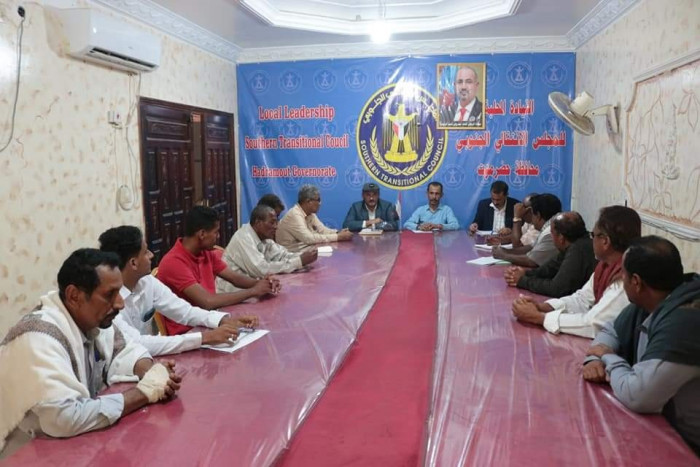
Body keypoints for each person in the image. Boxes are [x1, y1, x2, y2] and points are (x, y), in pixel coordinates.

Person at [0, 249, 181, 458]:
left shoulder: (90, 317)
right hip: (22, 452)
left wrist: (153, 374)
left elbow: (123, 348)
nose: (120, 303)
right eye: (109, 295)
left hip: (68, 445)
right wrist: (144, 392)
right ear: (74, 296)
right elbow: (65, 418)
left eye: (119, 292)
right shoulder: (39, 337)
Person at [582, 236, 700, 455]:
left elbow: (638, 396)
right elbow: (609, 331)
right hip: (668, 428)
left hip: (690, 445)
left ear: (636, 282)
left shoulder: (685, 321)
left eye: (623, 275)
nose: (621, 279)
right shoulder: (653, 300)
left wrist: (608, 357)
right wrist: (595, 359)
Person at [99, 226, 258, 356]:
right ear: (133, 263)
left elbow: (184, 311)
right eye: (146, 252)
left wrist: (223, 320)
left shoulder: (147, 282)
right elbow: (138, 343)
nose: (151, 255)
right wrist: (204, 338)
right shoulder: (107, 302)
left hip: (145, 360)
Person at [511, 205, 642, 338]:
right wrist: (543, 307)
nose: (591, 240)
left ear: (605, 241)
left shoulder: (626, 276)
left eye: (593, 235)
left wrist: (539, 317)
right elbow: (582, 299)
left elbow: (594, 324)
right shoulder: (605, 265)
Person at [158, 206, 277, 335]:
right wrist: (253, 291)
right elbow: (207, 301)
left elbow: (234, 278)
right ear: (202, 234)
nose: (218, 236)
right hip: (187, 332)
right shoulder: (173, 262)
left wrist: (262, 284)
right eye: (216, 232)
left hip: (210, 322)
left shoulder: (205, 253)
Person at [217, 205, 318, 293]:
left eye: (276, 222)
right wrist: (299, 261)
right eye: (272, 223)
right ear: (258, 223)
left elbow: (281, 255)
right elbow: (261, 269)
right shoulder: (243, 238)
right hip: (231, 294)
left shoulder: (264, 238)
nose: (276, 227)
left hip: (251, 290)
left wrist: (304, 256)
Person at [504, 211, 597, 297]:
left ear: (561, 238)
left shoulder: (579, 250)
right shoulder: (574, 244)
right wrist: (525, 273)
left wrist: (522, 281)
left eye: (552, 233)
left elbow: (557, 288)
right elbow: (550, 268)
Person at [492, 193, 561, 267]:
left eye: (532, 213)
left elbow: (532, 261)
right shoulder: (548, 227)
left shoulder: (550, 232)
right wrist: (505, 251)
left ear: (538, 215)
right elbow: (531, 248)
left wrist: (503, 255)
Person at [277, 184, 353, 251]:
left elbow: (322, 230)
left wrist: (338, 232)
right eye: (318, 200)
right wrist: (338, 237)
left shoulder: (310, 213)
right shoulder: (294, 214)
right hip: (292, 254)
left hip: (307, 250)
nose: (320, 203)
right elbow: (309, 239)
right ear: (308, 201)